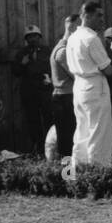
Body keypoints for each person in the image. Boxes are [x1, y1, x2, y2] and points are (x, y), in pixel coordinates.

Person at [65, 1, 112, 165]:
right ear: (86, 16)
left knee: (82, 131)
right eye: (98, 15)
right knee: (99, 132)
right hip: (95, 86)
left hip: (79, 86)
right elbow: (107, 69)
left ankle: (76, 172)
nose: (102, 19)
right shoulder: (91, 38)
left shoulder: (72, 38)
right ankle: (99, 174)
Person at [10, 25, 53, 154]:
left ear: (39, 37)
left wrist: (49, 78)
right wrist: (22, 64)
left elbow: (54, 68)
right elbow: (15, 72)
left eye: (35, 36)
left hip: (45, 91)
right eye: (29, 37)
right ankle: (37, 148)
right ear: (26, 39)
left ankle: (51, 147)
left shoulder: (47, 51)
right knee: (33, 121)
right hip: (29, 93)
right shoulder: (22, 53)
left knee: (48, 119)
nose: (32, 39)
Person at [49, 15, 78, 160]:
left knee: (70, 139)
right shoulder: (63, 51)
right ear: (72, 28)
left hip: (66, 98)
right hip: (65, 99)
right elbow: (77, 75)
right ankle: (67, 177)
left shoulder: (64, 48)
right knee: (67, 141)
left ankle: (70, 176)